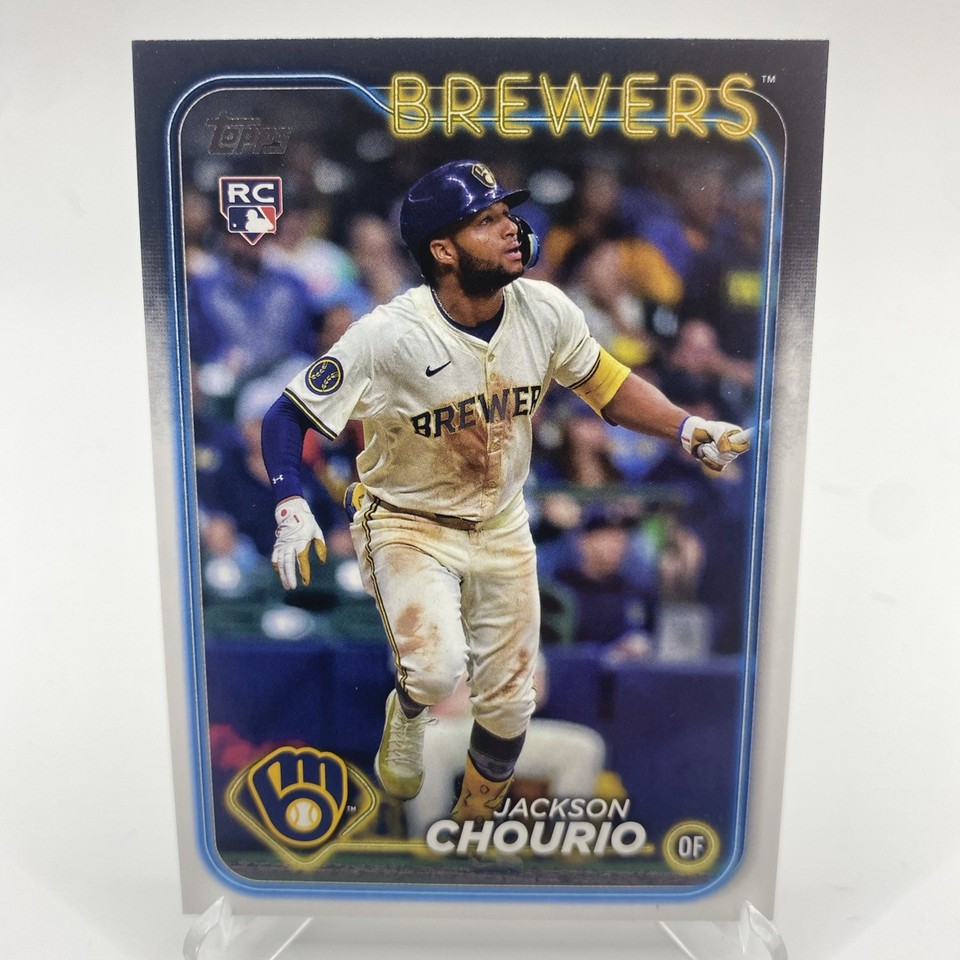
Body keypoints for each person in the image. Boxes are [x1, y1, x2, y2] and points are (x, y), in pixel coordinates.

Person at [259, 159, 749, 830]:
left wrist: (687, 427)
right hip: (409, 521)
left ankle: (477, 827)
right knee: (436, 671)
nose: (511, 228)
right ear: (443, 250)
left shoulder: (543, 309)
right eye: (486, 221)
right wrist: (290, 503)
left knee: (512, 706)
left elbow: (609, 387)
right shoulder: (388, 334)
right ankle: (408, 711)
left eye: (506, 214)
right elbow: (286, 415)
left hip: (499, 520)